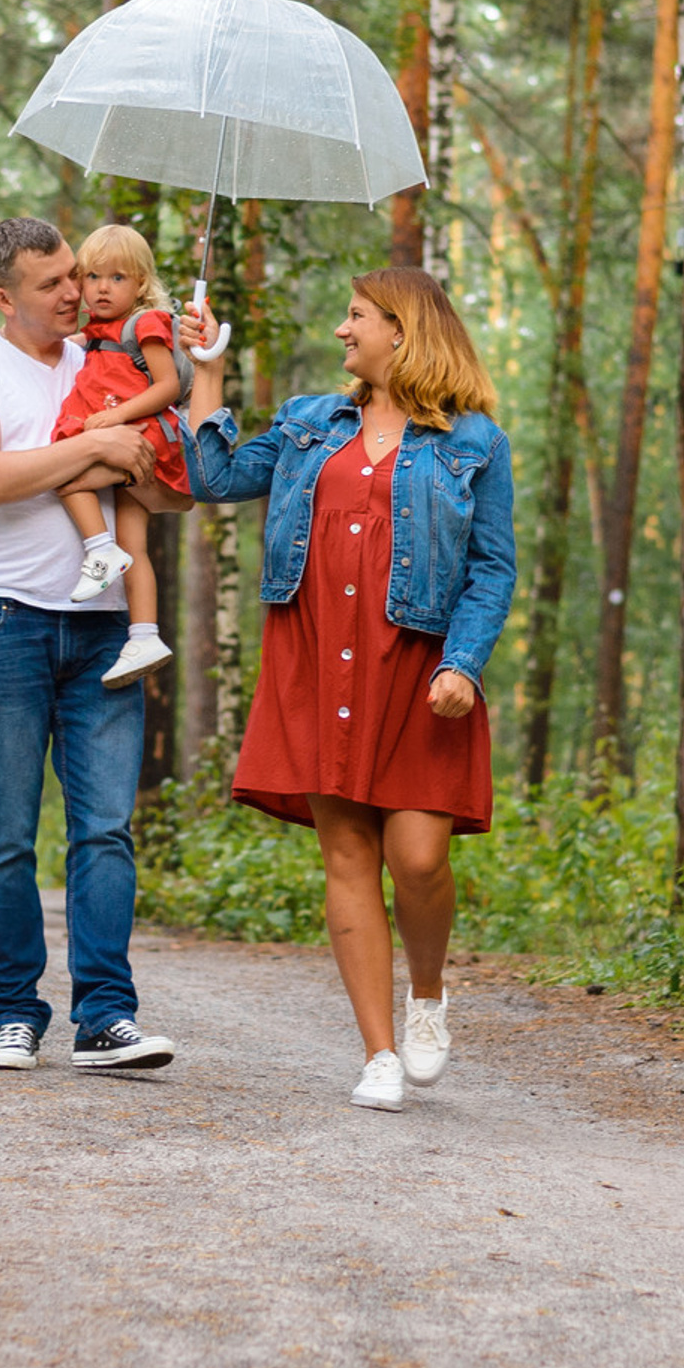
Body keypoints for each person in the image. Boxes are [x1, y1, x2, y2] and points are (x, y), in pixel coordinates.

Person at [183, 267, 514, 1112]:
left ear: (402, 332)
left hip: (420, 666)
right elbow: (216, 479)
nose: (342, 330)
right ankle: (377, 1054)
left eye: (356, 316)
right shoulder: (308, 423)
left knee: (419, 856)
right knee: (348, 853)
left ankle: (428, 995)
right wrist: (210, 372)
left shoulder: (475, 442)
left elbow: (492, 568)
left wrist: (463, 665)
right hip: (317, 653)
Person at [0, 215, 185, 1074]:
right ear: (5, 297)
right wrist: (95, 444)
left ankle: (107, 1016)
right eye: (53, 284)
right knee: (5, 832)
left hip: (109, 626)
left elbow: (175, 491)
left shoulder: (115, 358)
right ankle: (16, 1011)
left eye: (77, 274)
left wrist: (197, 374)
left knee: (106, 829)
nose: (77, 292)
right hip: (5, 620)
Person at [51, 222, 188, 691]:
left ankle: (97, 548)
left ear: (142, 285)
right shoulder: (94, 331)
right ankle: (145, 634)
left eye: (117, 278)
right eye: (92, 277)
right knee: (137, 547)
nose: (102, 288)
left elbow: (168, 386)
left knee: (66, 475)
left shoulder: (145, 324)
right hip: (123, 433)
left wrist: (116, 418)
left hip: (138, 434)